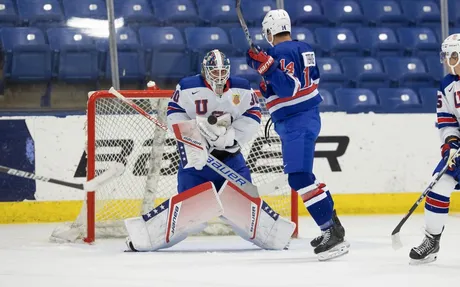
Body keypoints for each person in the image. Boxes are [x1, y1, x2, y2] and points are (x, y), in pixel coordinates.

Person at [124, 49, 295, 252]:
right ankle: (141, 239)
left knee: (243, 208)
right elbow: (174, 113)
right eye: (215, 72)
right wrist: (192, 138)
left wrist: (232, 139)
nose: (220, 77)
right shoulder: (188, 87)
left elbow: (253, 112)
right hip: (197, 162)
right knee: (191, 214)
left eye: (224, 72)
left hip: (230, 159)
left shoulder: (241, 87)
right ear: (205, 71)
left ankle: (273, 237)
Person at [245, 9, 349, 261]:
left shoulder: (278, 52)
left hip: (296, 121)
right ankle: (331, 225)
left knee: (300, 178)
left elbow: (288, 88)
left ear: (269, 32)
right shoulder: (305, 48)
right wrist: (260, 67)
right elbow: (311, 80)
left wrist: (267, 66)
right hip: (304, 118)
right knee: (303, 177)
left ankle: (331, 230)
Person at [409, 33, 460, 264]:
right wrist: (451, 143)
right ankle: (432, 240)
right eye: (447, 56)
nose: (448, 61)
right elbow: (447, 119)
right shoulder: (447, 85)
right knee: (438, 186)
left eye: (452, 56)